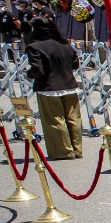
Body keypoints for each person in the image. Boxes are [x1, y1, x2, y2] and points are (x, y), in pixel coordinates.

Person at [26, 18, 84, 160]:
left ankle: (63, 151)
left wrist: (29, 73)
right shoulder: (65, 44)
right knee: (73, 118)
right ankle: (77, 149)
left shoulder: (35, 46)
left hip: (49, 87)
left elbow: (38, 70)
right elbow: (75, 64)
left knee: (54, 120)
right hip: (70, 86)